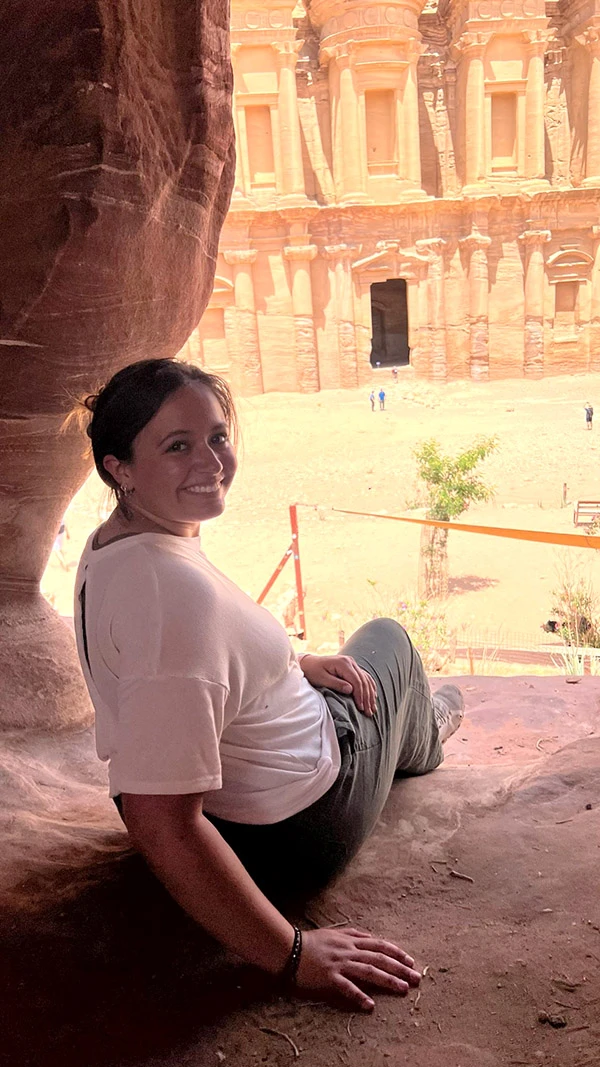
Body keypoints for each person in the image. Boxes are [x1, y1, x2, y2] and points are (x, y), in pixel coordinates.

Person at [74, 358, 464, 1013]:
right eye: (178, 446)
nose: (212, 460)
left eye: (218, 437)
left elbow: (205, 660)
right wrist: (292, 954)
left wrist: (291, 664)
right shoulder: (173, 598)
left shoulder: (123, 541)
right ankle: (422, 733)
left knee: (349, 661)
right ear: (120, 468)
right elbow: (158, 819)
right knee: (389, 641)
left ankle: (405, 719)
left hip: (250, 798)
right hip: (297, 826)